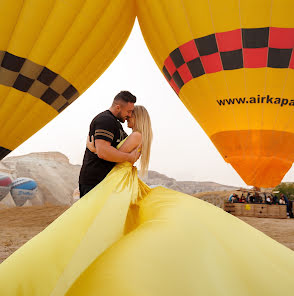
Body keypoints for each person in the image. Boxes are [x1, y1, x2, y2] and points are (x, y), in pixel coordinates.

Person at [1, 107, 294, 295]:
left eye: (129, 117)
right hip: (120, 180)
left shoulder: (136, 134)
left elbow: (114, 154)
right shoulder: (140, 134)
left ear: (136, 118)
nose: (126, 120)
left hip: (118, 180)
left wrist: (93, 145)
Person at [79, 90, 140, 197]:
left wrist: (95, 150)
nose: (129, 115)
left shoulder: (116, 124)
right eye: (128, 111)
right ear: (118, 107)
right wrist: (129, 157)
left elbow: (107, 150)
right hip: (95, 182)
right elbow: (103, 152)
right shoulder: (105, 120)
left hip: (106, 181)